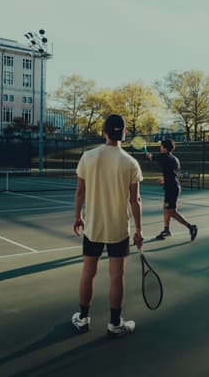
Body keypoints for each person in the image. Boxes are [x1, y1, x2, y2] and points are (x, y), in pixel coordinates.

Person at [72, 114, 144, 338]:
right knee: (116, 276)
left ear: (103, 132)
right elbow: (135, 200)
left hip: (93, 227)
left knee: (88, 272)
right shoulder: (131, 163)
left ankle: (82, 319)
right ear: (123, 133)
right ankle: (115, 324)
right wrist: (139, 230)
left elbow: (80, 191)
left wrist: (77, 217)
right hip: (118, 229)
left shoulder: (88, 157)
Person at [145, 139, 197, 241]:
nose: (160, 148)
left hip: (172, 188)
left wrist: (148, 155)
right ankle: (166, 230)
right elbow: (173, 173)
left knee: (171, 212)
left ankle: (191, 227)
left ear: (164, 148)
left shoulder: (163, 157)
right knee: (166, 208)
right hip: (173, 186)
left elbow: (152, 158)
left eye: (161, 146)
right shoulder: (175, 159)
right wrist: (165, 180)